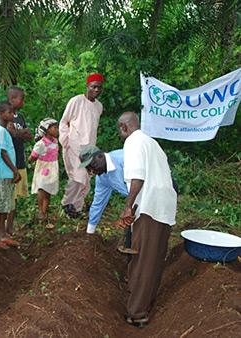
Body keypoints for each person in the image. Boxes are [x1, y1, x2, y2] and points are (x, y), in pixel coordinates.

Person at [115, 111, 177, 328]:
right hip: (165, 206)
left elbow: (138, 176)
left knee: (142, 260)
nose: (121, 136)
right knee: (154, 258)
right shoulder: (152, 143)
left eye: (119, 132)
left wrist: (127, 206)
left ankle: (138, 313)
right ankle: (146, 303)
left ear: (124, 127)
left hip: (150, 206)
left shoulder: (133, 142)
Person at [59, 73, 104, 218]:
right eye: (93, 87)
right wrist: (66, 141)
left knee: (85, 177)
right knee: (78, 176)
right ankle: (66, 204)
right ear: (87, 86)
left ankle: (75, 209)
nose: (96, 90)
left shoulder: (99, 106)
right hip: (74, 144)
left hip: (89, 148)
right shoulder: (76, 101)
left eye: (99, 87)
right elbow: (64, 122)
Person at [0, 101, 21, 250]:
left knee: (4, 206)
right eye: (9, 112)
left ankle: (2, 233)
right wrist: (15, 170)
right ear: (1, 114)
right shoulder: (0, 131)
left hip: (6, 174)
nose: (12, 115)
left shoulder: (4, 130)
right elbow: (2, 152)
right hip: (2, 173)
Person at [77, 146, 128, 234]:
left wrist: (128, 208)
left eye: (93, 164)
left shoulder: (123, 159)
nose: (92, 171)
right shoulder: (102, 177)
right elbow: (98, 202)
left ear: (100, 155)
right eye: (88, 168)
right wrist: (90, 231)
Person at [6, 86, 33, 235]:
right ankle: (5, 228)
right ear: (12, 99)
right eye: (21, 99)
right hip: (9, 163)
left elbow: (28, 135)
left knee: (15, 197)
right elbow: (11, 133)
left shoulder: (20, 117)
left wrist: (19, 133)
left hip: (20, 160)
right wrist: (20, 132)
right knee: (9, 196)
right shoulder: (5, 116)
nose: (23, 102)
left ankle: (10, 226)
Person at [28, 118, 60, 223]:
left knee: (48, 189)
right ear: (47, 129)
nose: (57, 130)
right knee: (41, 187)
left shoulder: (55, 142)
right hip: (44, 168)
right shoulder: (41, 144)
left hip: (53, 168)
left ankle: (45, 211)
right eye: (55, 128)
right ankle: (40, 211)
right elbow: (32, 157)